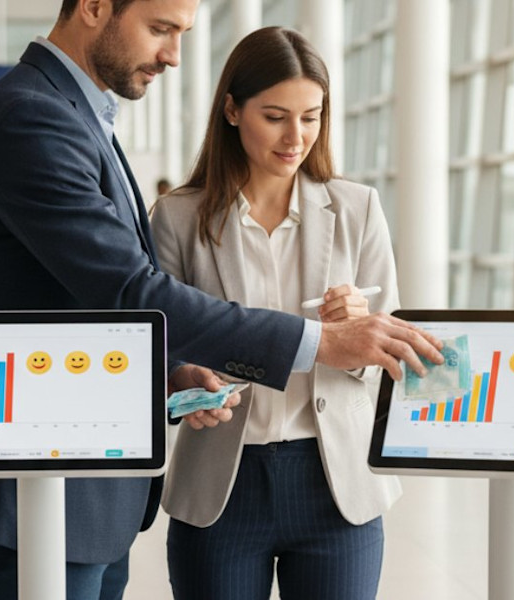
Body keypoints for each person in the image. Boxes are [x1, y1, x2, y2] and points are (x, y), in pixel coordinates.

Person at [0, 1, 443, 598]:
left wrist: (171, 374)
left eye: (181, 34)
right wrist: (321, 341)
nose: (173, 54)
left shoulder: (76, 115)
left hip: (81, 481)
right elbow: (133, 291)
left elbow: (104, 301)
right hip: (43, 478)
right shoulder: (33, 119)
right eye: (160, 29)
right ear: (94, 7)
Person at [150, 27, 399, 599]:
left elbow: (392, 355)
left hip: (335, 482)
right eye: (276, 116)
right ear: (232, 111)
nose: (297, 136)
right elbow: (161, 342)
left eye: (311, 116)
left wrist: (360, 331)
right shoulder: (177, 218)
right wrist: (182, 377)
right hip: (222, 485)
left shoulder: (358, 208)